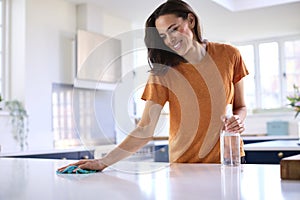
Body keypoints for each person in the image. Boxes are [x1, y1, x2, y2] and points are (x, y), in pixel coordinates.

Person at [58, 0, 248, 173]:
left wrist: (238, 120)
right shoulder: (164, 72)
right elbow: (145, 129)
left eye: (174, 29)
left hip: (229, 159)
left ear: (190, 20)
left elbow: (240, 106)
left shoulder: (230, 55)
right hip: (185, 165)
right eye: (163, 36)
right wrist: (102, 162)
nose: (170, 40)